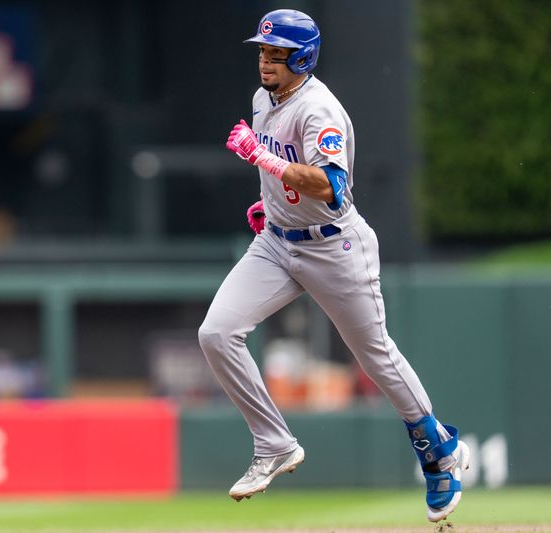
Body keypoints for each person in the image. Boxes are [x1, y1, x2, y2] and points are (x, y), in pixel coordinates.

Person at [198, 9, 470, 523]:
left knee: (374, 355)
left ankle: (436, 450)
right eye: (261, 50)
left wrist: (264, 160)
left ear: (302, 57)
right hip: (277, 243)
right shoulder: (263, 99)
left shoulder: (319, 108)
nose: (264, 60)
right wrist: (271, 202)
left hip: (333, 246)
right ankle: (274, 443)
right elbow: (284, 177)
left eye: (275, 53)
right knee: (216, 333)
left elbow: (330, 185)